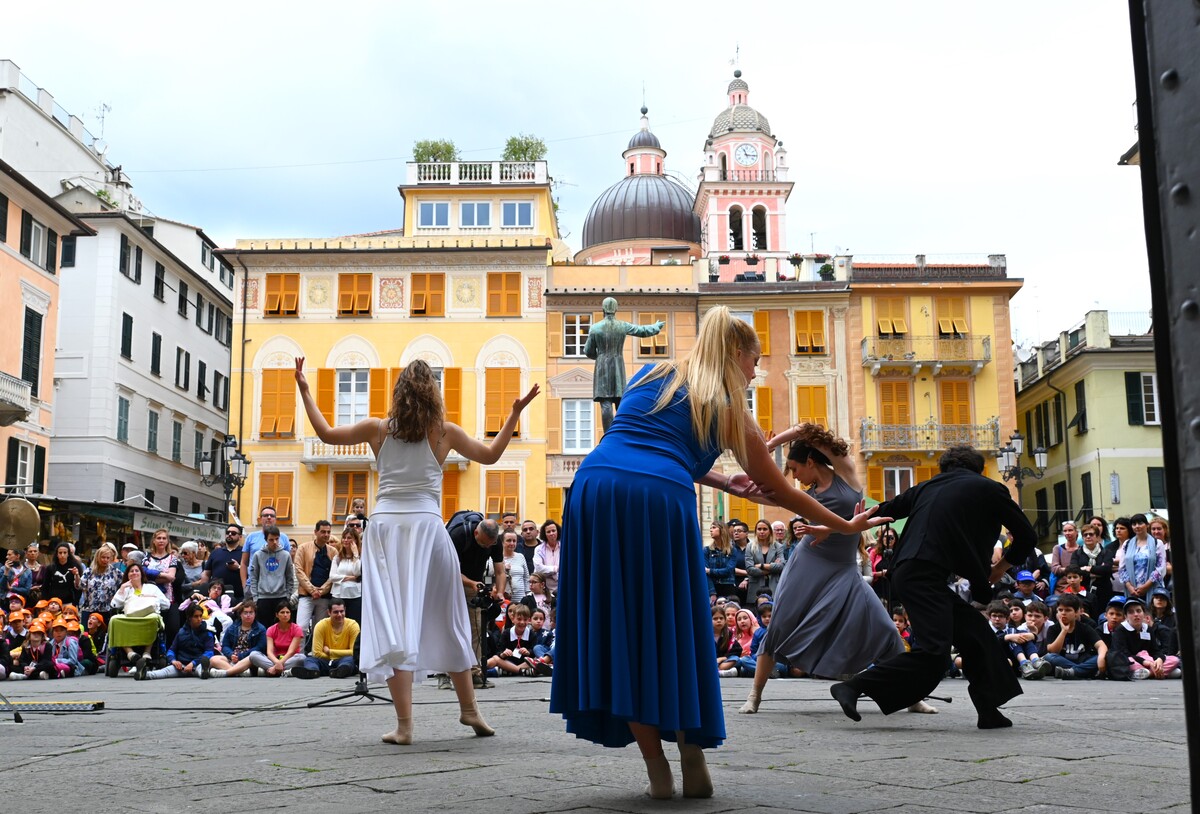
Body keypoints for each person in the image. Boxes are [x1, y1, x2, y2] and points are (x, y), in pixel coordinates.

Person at [550, 305, 889, 800]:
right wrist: (843, 523)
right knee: (669, 629)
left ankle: (657, 772)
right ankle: (691, 753)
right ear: (735, 354)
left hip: (594, 487)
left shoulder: (654, 372)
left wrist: (718, 476)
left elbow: (641, 441)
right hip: (656, 499)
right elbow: (785, 492)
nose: (754, 372)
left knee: (616, 628)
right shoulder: (730, 403)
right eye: (753, 362)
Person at [294, 355, 535, 746]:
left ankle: (405, 726)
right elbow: (491, 455)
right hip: (427, 527)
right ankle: (469, 709)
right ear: (434, 394)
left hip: (387, 530)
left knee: (393, 622)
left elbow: (324, 433)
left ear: (398, 392)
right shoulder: (444, 432)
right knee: (450, 614)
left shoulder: (377, 429)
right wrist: (514, 413)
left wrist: (306, 390)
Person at [828, 445, 1037, 730]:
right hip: (921, 574)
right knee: (934, 653)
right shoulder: (989, 488)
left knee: (977, 636)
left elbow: (884, 510)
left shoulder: (926, 487)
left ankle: (988, 710)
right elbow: (1027, 536)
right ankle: (854, 687)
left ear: (944, 469)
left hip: (910, 571)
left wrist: (842, 524)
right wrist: (998, 570)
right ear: (977, 468)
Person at [740, 425, 927, 715]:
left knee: (886, 628)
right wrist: (746, 488)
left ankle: (912, 697)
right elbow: (770, 496)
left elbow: (807, 429)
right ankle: (754, 696)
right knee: (779, 625)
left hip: (843, 568)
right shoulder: (807, 494)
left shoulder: (846, 474)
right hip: (808, 564)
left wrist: (773, 442)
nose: (794, 476)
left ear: (810, 462)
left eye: (794, 468)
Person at [585, 295, 665, 432]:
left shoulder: (595, 328)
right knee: (619, 401)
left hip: (602, 367)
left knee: (605, 403)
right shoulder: (622, 326)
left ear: (603, 309)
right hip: (617, 365)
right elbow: (642, 331)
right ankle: (622, 430)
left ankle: (608, 434)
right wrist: (656, 327)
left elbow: (588, 351)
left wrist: (599, 356)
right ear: (615, 309)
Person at [138, 604, 220, 680]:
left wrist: (193, 663)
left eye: (200, 616)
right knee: (165, 671)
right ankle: (144, 674)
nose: (199, 619)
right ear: (189, 618)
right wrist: (173, 661)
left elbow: (209, 652)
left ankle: (204, 672)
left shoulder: (208, 632)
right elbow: (171, 650)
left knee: (201, 669)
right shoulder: (181, 632)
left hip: (197, 665)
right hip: (181, 666)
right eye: (196, 616)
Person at [1038, 593, 1107, 679]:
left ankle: (1072, 672)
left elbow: (1101, 645)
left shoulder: (1085, 627)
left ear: (1076, 612)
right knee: (1049, 657)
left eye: (1068, 610)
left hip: (1082, 660)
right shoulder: (1053, 628)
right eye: (1060, 610)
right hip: (1062, 662)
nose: (1063, 613)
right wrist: (1064, 631)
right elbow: (1052, 651)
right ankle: (1082, 672)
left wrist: (1101, 658)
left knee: (1104, 656)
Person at [292, 599, 360, 679]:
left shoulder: (353, 625)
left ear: (345, 610)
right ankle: (312, 671)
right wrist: (335, 655)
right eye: (336, 612)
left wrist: (329, 652)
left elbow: (353, 652)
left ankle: (341, 671)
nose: (339, 615)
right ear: (329, 612)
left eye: (342, 611)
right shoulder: (321, 625)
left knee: (349, 660)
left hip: (343, 660)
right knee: (310, 660)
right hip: (324, 661)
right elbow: (317, 653)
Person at [246, 525, 297, 623]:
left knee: (282, 628)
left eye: (277, 539)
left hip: (281, 597)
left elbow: (289, 577)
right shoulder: (258, 555)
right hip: (263, 598)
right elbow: (254, 577)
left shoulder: (286, 555)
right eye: (271, 540)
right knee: (265, 629)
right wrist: (256, 598)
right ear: (266, 540)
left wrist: (287, 596)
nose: (275, 542)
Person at [294, 520, 336, 634]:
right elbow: (299, 570)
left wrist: (321, 591)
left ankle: (316, 652)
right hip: (306, 595)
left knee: (320, 630)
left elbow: (334, 575)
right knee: (301, 628)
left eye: (328, 532)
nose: (326, 535)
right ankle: (299, 652)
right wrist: (312, 590)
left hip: (324, 597)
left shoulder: (333, 552)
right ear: (315, 532)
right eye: (323, 532)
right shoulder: (303, 548)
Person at [238, 508, 291, 594]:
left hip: (277, 588)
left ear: (275, 519)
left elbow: (288, 565)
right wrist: (245, 585)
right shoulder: (251, 537)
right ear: (260, 519)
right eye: (266, 515)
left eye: (272, 516)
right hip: (253, 586)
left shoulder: (284, 538)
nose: (269, 517)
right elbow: (244, 563)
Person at [202, 524, 245, 603]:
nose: (230, 534)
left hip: (238, 596)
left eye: (233, 533)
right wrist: (206, 590)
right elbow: (206, 573)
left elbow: (251, 573)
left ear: (240, 537)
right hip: (217, 596)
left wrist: (238, 567)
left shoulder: (244, 553)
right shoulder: (216, 552)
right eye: (228, 532)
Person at [330, 525, 363, 624]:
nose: (345, 540)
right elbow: (332, 577)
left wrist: (356, 555)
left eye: (349, 538)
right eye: (344, 537)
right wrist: (351, 578)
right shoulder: (338, 557)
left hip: (355, 596)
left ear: (355, 540)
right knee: (338, 623)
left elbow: (358, 572)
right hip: (338, 595)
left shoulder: (361, 557)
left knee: (354, 623)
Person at [502, 530, 532, 602]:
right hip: (503, 600)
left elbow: (526, 577)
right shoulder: (496, 558)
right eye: (509, 540)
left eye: (514, 541)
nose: (512, 543)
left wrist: (527, 594)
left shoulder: (520, 556)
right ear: (502, 542)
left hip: (521, 599)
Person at [533, 520, 561, 595]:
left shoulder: (565, 548)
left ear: (557, 531)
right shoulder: (539, 549)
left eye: (553, 531)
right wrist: (556, 569)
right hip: (543, 590)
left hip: (561, 588)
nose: (551, 533)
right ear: (544, 534)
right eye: (548, 532)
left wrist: (548, 572)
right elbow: (539, 568)